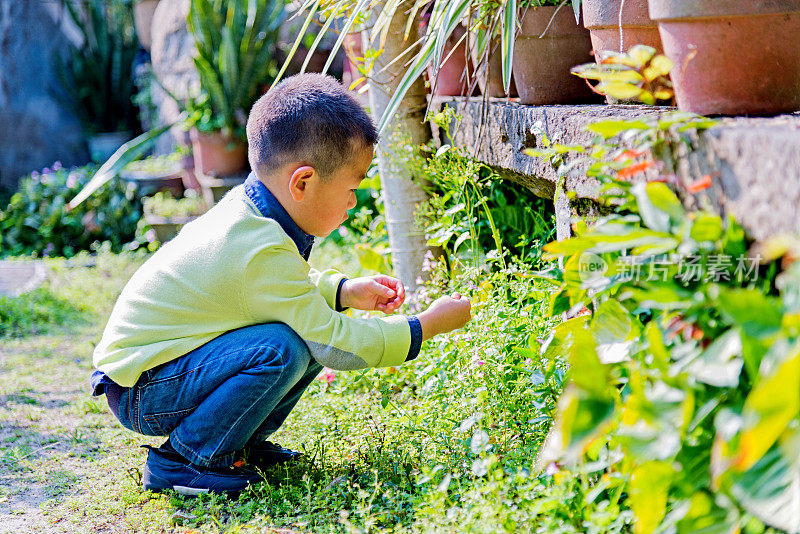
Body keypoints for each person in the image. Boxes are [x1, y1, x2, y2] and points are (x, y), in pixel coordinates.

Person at [90, 73, 471, 495]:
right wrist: (427, 326)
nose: (352, 201)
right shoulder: (259, 247)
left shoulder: (251, 213)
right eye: (350, 189)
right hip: (142, 388)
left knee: (295, 336)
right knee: (284, 346)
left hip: (158, 372)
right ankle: (185, 460)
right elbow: (335, 341)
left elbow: (279, 291)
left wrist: (342, 292)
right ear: (302, 182)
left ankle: (236, 444)